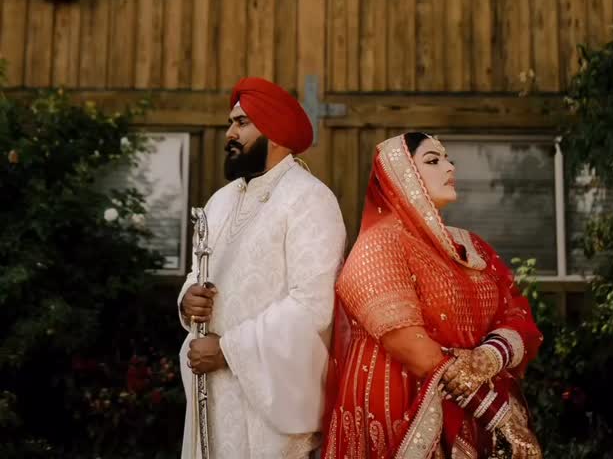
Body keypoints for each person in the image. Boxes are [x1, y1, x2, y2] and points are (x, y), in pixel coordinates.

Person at [323, 132, 543, 459]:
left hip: (470, 412)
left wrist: (489, 356)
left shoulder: (472, 247)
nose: (450, 167)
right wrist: (500, 415)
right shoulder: (377, 246)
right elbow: (411, 345)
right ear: (400, 173)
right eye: (433, 160)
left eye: (448, 158)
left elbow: (516, 314)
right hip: (402, 410)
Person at [178, 76, 346, 459]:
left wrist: (228, 351)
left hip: (271, 400)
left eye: (241, 123)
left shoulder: (309, 199)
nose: (229, 134)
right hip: (209, 389)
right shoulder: (220, 201)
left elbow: (313, 304)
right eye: (230, 124)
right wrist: (187, 301)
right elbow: (196, 273)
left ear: (274, 131)